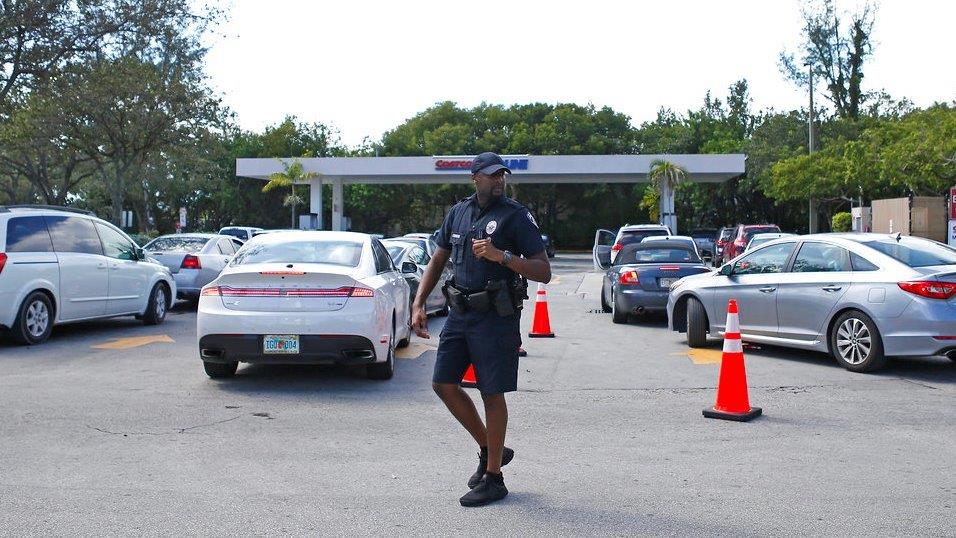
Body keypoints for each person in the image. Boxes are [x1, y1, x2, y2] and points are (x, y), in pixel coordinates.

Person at [411, 152, 551, 507]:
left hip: (496, 317)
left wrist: (501, 256)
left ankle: (494, 478)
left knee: (492, 392)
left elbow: (542, 270)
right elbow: (439, 258)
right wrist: (419, 302)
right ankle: (491, 448)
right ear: (476, 178)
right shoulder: (458, 212)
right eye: (491, 176)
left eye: (502, 175)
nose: (499, 181)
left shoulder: (516, 217)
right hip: (460, 314)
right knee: (443, 383)